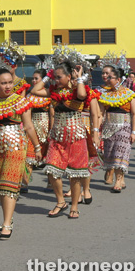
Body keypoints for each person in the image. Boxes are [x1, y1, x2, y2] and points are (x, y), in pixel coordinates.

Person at [31, 62, 95, 218]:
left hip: (76, 136)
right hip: (57, 136)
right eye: (55, 77)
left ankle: (74, 206)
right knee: (52, 170)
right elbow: (34, 90)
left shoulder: (76, 89)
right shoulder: (53, 91)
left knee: (75, 174)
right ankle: (60, 202)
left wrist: (78, 77)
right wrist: (48, 76)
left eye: (59, 77)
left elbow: (81, 96)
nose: (56, 80)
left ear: (68, 76)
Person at [0, 68, 41, 239]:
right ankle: (7, 218)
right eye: (4, 83)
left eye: (10, 82)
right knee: (0, 186)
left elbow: (29, 126)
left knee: (9, 184)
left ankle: (7, 223)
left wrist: (37, 147)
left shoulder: (20, 101)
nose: (8, 86)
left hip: (16, 146)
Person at [98, 64, 135, 192]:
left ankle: (118, 181)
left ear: (118, 79)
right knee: (110, 153)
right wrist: (97, 130)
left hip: (124, 126)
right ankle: (120, 179)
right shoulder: (104, 95)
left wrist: (134, 132)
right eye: (107, 76)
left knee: (120, 153)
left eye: (111, 77)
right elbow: (100, 114)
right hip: (109, 127)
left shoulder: (129, 94)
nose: (107, 79)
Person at [22, 69, 51, 193]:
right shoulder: (29, 96)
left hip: (47, 126)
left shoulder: (48, 94)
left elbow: (53, 114)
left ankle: (50, 183)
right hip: (32, 127)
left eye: (36, 78)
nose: (33, 80)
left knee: (49, 157)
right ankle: (24, 183)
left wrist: (51, 129)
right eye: (32, 78)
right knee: (29, 155)